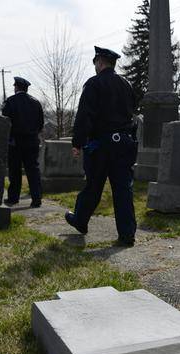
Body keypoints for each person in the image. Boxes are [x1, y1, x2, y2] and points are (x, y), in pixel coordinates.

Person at [65, 46, 138, 246]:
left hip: (101, 145)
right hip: (124, 143)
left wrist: (77, 143)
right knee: (123, 189)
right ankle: (127, 234)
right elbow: (132, 113)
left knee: (93, 187)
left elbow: (85, 115)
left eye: (95, 63)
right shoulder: (126, 84)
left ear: (100, 62)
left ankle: (80, 220)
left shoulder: (94, 83)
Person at [2, 76, 44, 208]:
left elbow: (5, 122)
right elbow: (40, 124)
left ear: (16, 87)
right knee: (33, 170)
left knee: (15, 171)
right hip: (32, 142)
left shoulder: (10, 101)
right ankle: (36, 199)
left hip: (15, 142)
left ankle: (13, 198)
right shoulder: (36, 102)